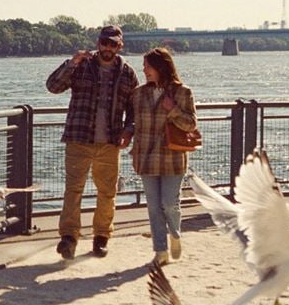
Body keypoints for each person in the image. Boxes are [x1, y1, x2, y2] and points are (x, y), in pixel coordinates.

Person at [46, 24, 139, 259]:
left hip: (110, 142)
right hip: (79, 139)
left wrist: (129, 131)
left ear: (120, 46)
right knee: (73, 190)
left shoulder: (128, 73)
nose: (107, 47)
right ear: (98, 42)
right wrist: (72, 63)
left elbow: (135, 109)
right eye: (104, 42)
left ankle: (101, 237)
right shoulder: (82, 66)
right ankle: (68, 237)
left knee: (107, 192)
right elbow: (53, 87)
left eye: (113, 44)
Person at [129, 47, 197, 266]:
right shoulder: (139, 93)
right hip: (146, 157)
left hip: (172, 157)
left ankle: (175, 234)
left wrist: (174, 109)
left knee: (169, 203)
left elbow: (191, 124)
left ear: (161, 67)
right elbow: (134, 124)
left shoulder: (182, 92)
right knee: (153, 207)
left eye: (148, 66)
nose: (144, 70)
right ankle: (160, 251)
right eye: (144, 66)